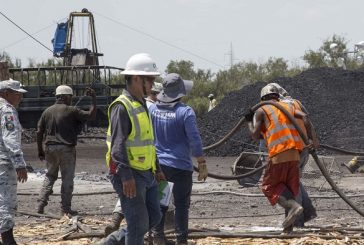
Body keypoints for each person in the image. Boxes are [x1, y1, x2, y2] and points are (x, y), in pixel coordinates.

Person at [104, 53, 165, 245]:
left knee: (154, 216)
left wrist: (157, 168)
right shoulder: (122, 106)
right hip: (130, 174)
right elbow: (117, 146)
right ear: (137, 78)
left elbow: (147, 142)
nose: (153, 84)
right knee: (138, 224)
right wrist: (126, 176)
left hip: (147, 172)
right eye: (150, 80)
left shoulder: (142, 104)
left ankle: (112, 242)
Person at [149, 73, 208, 245]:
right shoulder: (185, 112)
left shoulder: (152, 110)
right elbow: (194, 139)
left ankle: (159, 236)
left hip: (160, 165)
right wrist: (201, 161)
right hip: (181, 166)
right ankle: (182, 240)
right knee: (182, 204)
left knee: (161, 202)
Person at [246, 84, 308, 233]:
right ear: (277, 96)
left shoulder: (262, 110)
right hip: (295, 155)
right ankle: (288, 230)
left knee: (269, 186)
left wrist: (249, 120)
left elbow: (255, 135)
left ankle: (293, 207)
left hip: (279, 155)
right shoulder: (288, 106)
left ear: (262, 99)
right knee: (290, 190)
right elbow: (305, 118)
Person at [36, 85, 96, 216]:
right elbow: (91, 116)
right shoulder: (72, 110)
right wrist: (93, 99)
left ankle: (41, 204)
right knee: (67, 179)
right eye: (70, 97)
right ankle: (65, 208)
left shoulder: (47, 111)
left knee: (50, 176)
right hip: (66, 149)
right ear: (65, 96)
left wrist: (40, 150)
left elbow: (39, 132)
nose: (71, 100)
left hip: (49, 148)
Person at [268, 82, 319, 227]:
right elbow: (306, 119)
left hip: (291, 149)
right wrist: (314, 139)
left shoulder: (278, 107)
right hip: (303, 148)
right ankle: (307, 211)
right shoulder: (295, 103)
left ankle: (296, 222)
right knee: (295, 181)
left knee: (290, 184)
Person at [0, 79, 28, 245]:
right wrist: (19, 164)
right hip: (4, 162)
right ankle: (8, 239)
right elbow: (10, 139)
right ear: (6, 93)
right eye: (17, 94)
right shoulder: (7, 110)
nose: (20, 98)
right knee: (6, 201)